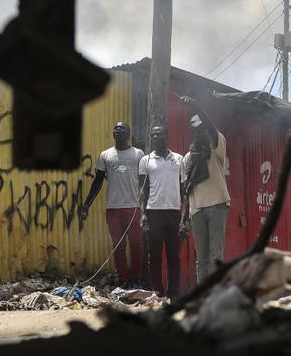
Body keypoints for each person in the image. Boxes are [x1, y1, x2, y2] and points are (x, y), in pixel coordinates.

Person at [80, 121, 145, 287]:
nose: (117, 130)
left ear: (128, 134)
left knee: (137, 244)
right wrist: (87, 204)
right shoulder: (105, 155)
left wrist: (146, 207)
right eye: (115, 128)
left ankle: (136, 279)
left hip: (133, 207)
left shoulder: (138, 154)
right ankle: (123, 279)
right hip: (113, 209)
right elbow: (98, 181)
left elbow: (145, 182)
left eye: (121, 128)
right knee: (118, 246)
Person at [180, 95, 230, 282]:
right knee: (201, 260)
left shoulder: (217, 147)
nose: (200, 133)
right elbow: (186, 192)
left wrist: (196, 105)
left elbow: (211, 126)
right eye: (196, 131)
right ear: (192, 133)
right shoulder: (187, 159)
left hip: (217, 206)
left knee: (216, 256)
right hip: (197, 212)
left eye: (202, 129)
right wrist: (183, 220)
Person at [138, 123, 184, 298]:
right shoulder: (145, 161)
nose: (155, 137)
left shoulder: (178, 159)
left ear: (167, 136)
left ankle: (174, 292)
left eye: (159, 134)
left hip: (173, 212)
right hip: (154, 212)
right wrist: (143, 213)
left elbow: (183, 188)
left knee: (174, 256)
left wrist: (183, 216)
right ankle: (157, 292)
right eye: (153, 135)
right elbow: (143, 190)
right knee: (154, 255)